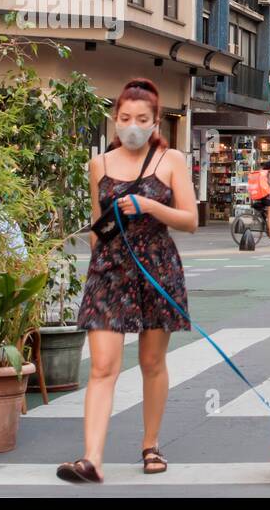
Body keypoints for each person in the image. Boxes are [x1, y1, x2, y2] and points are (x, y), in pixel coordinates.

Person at [58, 79, 197, 485]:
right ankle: (91, 459)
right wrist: (94, 230)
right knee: (103, 366)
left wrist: (149, 205)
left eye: (141, 118)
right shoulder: (99, 164)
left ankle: (150, 444)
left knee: (152, 362)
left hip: (156, 264)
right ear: (114, 119)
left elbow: (189, 220)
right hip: (110, 267)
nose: (131, 125)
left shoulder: (170, 159)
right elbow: (96, 226)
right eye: (124, 118)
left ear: (155, 121)